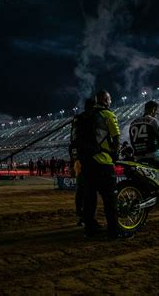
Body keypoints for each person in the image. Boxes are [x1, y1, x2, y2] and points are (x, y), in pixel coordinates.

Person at [80, 90, 120, 239]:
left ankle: (89, 231)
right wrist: (114, 155)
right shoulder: (108, 115)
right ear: (105, 100)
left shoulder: (84, 116)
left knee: (89, 199)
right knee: (110, 200)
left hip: (87, 163)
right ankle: (113, 232)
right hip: (103, 163)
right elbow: (116, 139)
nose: (110, 101)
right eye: (109, 99)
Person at [69, 97, 96, 226]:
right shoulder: (91, 118)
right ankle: (86, 217)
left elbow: (72, 141)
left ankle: (80, 215)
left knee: (80, 188)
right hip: (88, 157)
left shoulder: (77, 119)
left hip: (77, 157)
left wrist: (72, 160)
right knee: (89, 189)